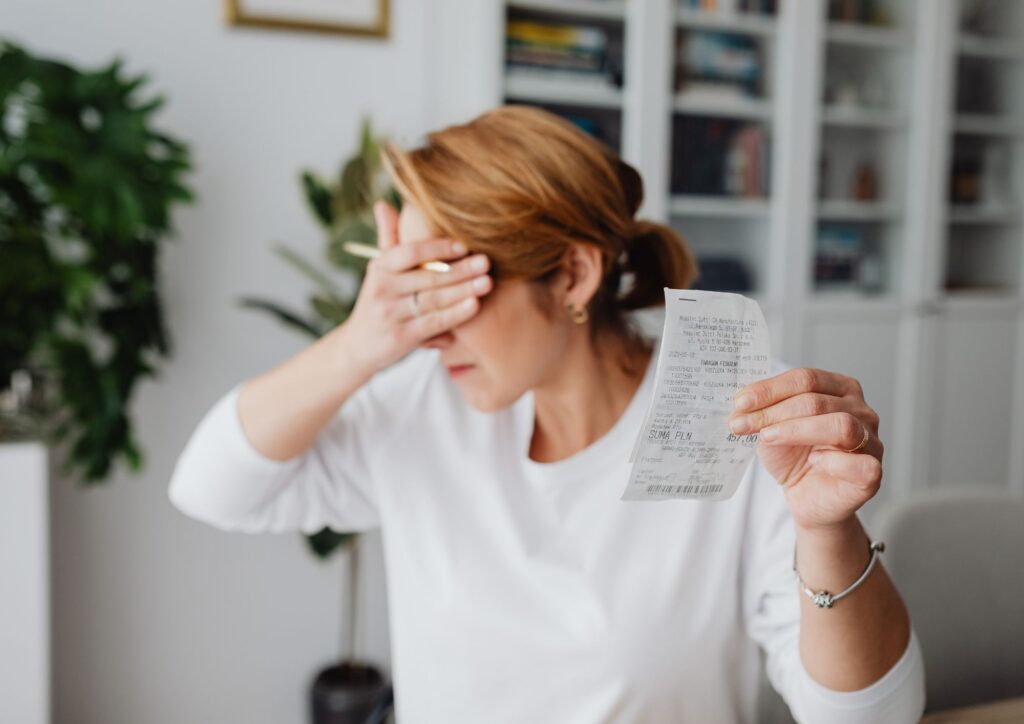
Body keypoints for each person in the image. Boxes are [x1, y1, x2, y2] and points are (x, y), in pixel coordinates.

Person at [169, 106, 924, 723]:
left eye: (447, 285)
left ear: (571, 273)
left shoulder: (734, 421)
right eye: (412, 292)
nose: (429, 331)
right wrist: (358, 346)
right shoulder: (422, 407)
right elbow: (210, 489)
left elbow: (871, 719)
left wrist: (828, 532)